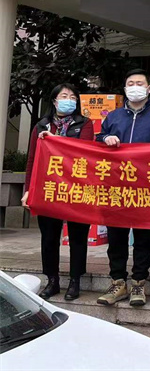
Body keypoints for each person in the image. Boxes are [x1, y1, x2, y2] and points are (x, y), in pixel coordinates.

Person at [21, 84, 94, 301]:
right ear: (54, 101)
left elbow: (84, 150)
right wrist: (28, 190)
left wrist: (54, 140)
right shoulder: (41, 125)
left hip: (77, 188)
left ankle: (75, 280)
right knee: (49, 237)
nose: (68, 100)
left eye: (72, 97)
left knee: (78, 236)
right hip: (48, 188)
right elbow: (32, 160)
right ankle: (52, 280)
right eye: (64, 96)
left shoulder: (84, 123)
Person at [96, 69, 150, 307]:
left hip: (147, 187)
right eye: (130, 83)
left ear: (149, 89)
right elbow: (97, 140)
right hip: (117, 186)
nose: (135, 87)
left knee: (144, 238)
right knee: (116, 237)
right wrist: (105, 139)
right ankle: (118, 282)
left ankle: (138, 283)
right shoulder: (113, 116)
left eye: (139, 83)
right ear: (125, 89)